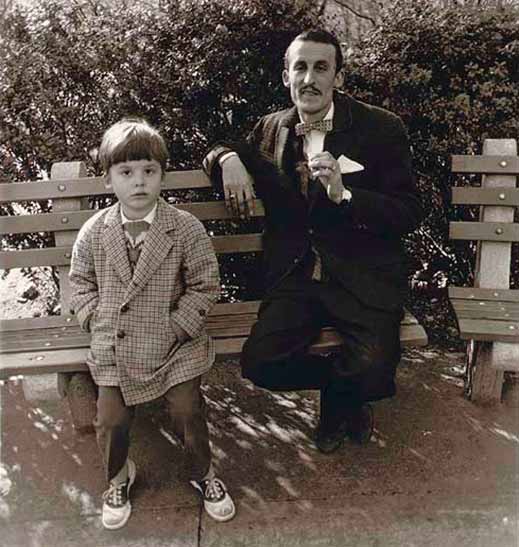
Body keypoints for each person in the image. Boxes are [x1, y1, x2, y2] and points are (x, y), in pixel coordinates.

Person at [202, 29, 424, 454]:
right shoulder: (272, 128)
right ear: (286, 76)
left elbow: (409, 211)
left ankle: (343, 401)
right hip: (297, 277)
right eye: (300, 67)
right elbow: (218, 146)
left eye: (321, 67)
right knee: (260, 363)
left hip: (362, 274)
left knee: (377, 368)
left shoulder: (380, 128)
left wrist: (346, 196)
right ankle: (344, 394)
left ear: (338, 77)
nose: (310, 78)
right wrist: (228, 159)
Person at [69, 118, 235, 530]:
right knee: (109, 419)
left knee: (186, 409)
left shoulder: (184, 229)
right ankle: (119, 476)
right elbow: (80, 285)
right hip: (116, 344)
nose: (138, 182)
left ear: (162, 174)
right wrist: (95, 319)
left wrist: (179, 326)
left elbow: (204, 284)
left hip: (175, 345)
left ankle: (203, 472)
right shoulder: (94, 232)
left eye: (149, 171)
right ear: (109, 179)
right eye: (126, 173)